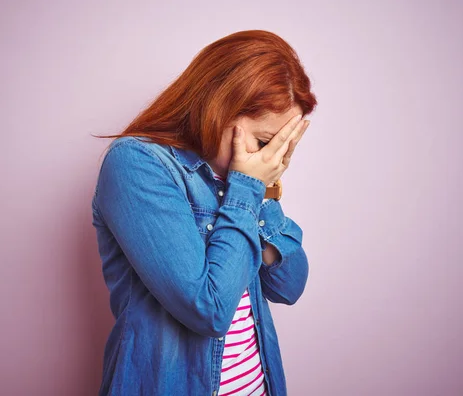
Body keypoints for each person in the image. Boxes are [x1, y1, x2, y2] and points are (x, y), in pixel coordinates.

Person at [91, 29, 317, 396]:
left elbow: (289, 286)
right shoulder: (138, 164)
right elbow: (208, 310)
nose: (269, 157)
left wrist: (260, 192)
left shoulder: (240, 178)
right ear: (219, 107)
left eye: (278, 146)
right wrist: (248, 188)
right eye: (264, 142)